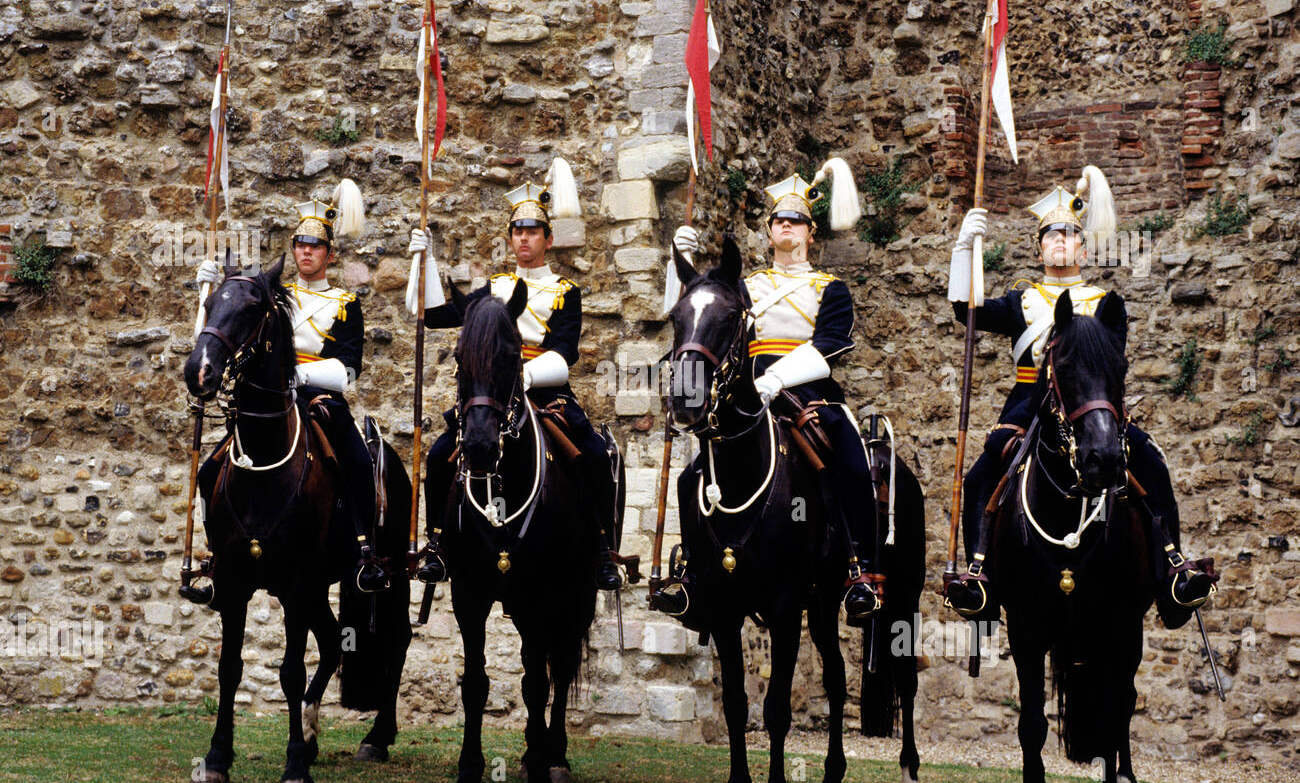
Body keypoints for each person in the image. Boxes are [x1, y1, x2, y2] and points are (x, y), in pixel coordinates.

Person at [944, 165, 1216, 628]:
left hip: (1090, 402)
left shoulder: (1105, 303)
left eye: (1069, 235)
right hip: (1029, 399)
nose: (1059, 242)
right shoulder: (1020, 300)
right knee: (981, 476)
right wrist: (963, 248)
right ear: (1039, 247)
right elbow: (963, 310)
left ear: (1084, 247)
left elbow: (1111, 363)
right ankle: (979, 575)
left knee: (1150, 463)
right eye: (1050, 236)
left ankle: (1172, 566)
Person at [652, 159, 886, 626]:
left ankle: (861, 571)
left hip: (810, 392)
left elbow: (831, 345)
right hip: (745, 395)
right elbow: (691, 315)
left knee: (854, 464)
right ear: (769, 229)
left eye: (796, 220)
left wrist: (778, 378)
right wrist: (675, 267)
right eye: (779, 219)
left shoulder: (830, 287)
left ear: (810, 232)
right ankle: (694, 577)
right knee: (689, 477)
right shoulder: (743, 286)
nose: (786, 226)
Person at [408, 158, 624, 592]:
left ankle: (603, 551)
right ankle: (437, 545)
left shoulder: (566, 291)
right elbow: (432, 316)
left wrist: (524, 377)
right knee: (437, 456)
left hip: (544, 391)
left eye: (532, 231)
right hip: (490, 395)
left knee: (596, 456)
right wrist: (425, 259)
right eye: (517, 231)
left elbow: (566, 354)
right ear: (510, 239)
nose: (524, 238)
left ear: (547, 239)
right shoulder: (493, 289)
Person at [196, 179, 386, 598]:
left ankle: (363, 550)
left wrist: (299, 376)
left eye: (315, 246)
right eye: (300, 244)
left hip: (319, 398)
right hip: (267, 402)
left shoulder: (344, 302)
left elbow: (349, 369)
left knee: (356, 462)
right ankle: (215, 558)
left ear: (329, 254)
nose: (305, 251)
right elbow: (218, 342)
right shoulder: (267, 294)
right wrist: (206, 292)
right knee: (210, 468)